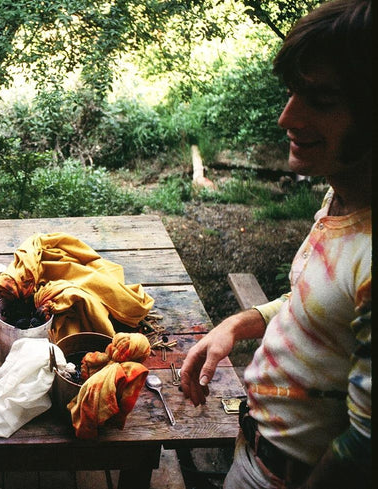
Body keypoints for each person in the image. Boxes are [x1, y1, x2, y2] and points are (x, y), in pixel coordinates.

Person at [180, 0, 371, 487]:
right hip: (257, 451)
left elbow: (366, 444)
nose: (288, 117)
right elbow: (320, 304)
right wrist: (238, 326)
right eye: (292, 94)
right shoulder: (344, 195)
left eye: (322, 100)